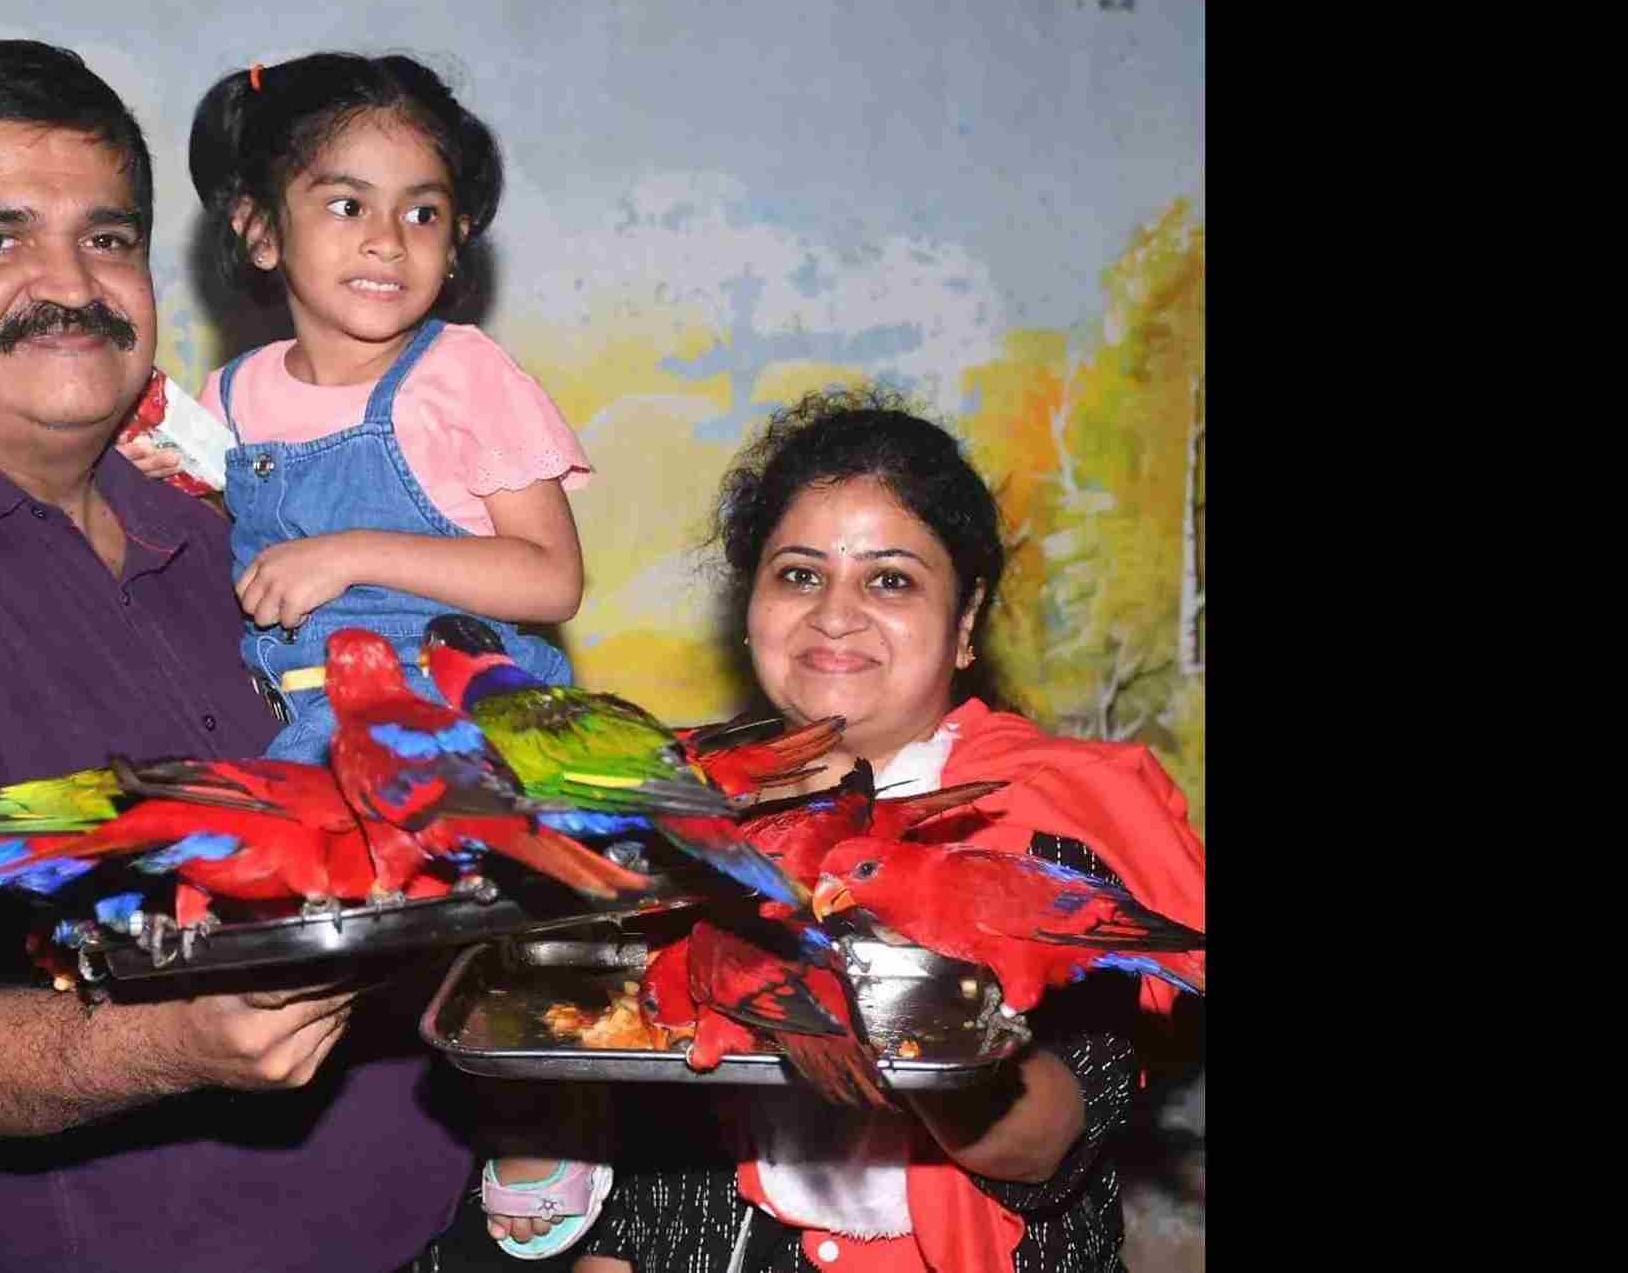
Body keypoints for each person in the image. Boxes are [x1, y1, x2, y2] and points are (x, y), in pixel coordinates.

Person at [0, 40, 471, 1273]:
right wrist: (171, 1043)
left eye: (110, 238)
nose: (72, 284)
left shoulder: (252, 522)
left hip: (453, 1227)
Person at [455, 385, 1207, 1272]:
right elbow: (654, 1149)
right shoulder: (675, 816)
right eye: (799, 574)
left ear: (965, 624)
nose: (835, 613)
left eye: (890, 578)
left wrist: (880, 997)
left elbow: (1040, 1147)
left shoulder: (1048, 830)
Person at [127, 52, 591, 764]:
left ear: (457, 239)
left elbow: (552, 579)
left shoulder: (464, 375)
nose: (388, 240)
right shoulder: (231, 397)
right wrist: (164, 487)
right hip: (299, 730)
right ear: (261, 231)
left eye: (423, 212)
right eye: (348, 206)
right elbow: (247, 567)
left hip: (469, 730)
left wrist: (350, 555)